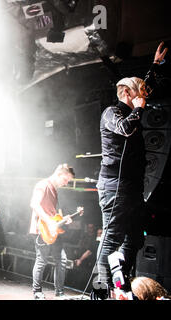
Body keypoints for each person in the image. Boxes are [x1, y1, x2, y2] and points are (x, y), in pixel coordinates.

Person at [94, 42, 168, 299]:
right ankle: (99, 292)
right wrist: (138, 108)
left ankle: (120, 282)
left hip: (133, 186)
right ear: (124, 91)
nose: (142, 96)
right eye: (136, 93)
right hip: (115, 185)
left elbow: (144, 88)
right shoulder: (111, 112)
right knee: (112, 237)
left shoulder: (132, 107)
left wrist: (155, 66)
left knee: (135, 238)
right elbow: (126, 128)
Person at [29, 164, 75, 300]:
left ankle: (59, 292)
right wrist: (49, 221)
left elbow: (53, 213)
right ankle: (37, 292)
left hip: (53, 230)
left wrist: (63, 219)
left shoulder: (55, 190)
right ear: (59, 174)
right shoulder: (43, 184)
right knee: (41, 260)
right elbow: (34, 204)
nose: (66, 183)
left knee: (62, 260)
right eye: (66, 179)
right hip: (42, 228)